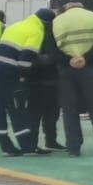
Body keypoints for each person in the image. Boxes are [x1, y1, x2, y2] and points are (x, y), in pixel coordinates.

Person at [50, 2, 93, 157]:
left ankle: (73, 148)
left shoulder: (56, 21)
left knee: (70, 109)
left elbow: (51, 49)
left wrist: (69, 60)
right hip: (91, 69)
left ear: (67, 8)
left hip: (66, 70)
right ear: (81, 7)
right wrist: (86, 59)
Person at [0, 8, 53, 156]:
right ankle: (28, 147)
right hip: (10, 72)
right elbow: (26, 58)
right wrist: (23, 75)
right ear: (47, 23)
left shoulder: (16, 25)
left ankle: (6, 146)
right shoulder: (37, 31)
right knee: (16, 108)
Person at [28, 16, 64, 151]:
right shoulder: (48, 34)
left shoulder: (37, 32)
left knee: (40, 113)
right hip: (47, 80)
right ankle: (48, 141)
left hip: (39, 80)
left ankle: (37, 143)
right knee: (47, 113)